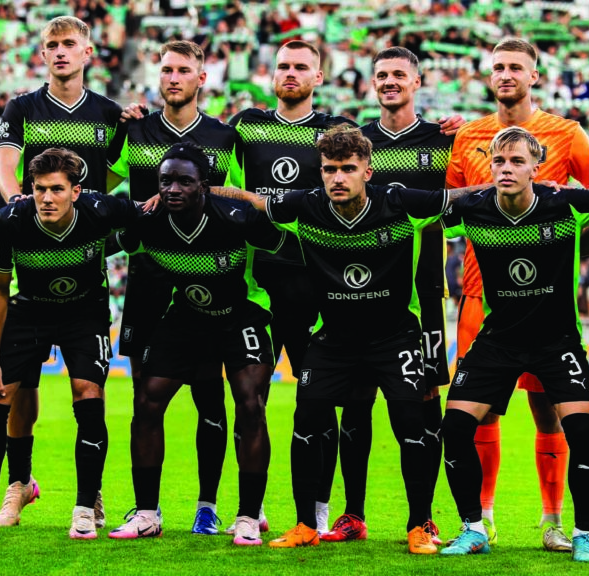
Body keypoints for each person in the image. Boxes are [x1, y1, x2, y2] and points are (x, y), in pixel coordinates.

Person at [213, 125, 484, 554]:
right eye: (329, 169)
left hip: (394, 337)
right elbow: (256, 201)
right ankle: (306, 525)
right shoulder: (305, 206)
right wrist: (209, 190)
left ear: (367, 172)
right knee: (307, 421)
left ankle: (419, 525)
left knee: (411, 424)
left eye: (347, 169)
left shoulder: (401, 202)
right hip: (334, 339)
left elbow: (460, 196)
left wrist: (517, 184)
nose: (337, 178)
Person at [444, 37, 589, 552]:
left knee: (549, 409)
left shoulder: (567, 133)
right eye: (498, 67)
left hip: (545, 303)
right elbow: (451, 203)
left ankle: (554, 521)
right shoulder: (468, 135)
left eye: (516, 67)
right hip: (480, 297)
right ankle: (481, 520)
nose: (506, 74)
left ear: (535, 75)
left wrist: (565, 250)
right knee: (477, 412)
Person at [0, 148, 143, 538]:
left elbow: (148, 215)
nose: (47, 198)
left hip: (84, 313)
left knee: (88, 395)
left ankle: (85, 508)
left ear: (76, 191)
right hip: (29, 312)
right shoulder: (9, 222)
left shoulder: (101, 210)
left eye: (56, 189)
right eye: (39, 189)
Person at [107, 144, 283, 546]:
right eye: (165, 181)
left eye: (184, 181)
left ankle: (247, 516)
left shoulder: (236, 218)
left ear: (204, 185)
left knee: (250, 405)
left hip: (242, 315)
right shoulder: (148, 223)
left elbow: (289, 242)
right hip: (188, 316)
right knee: (146, 400)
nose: (173, 189)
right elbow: (101, 239)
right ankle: (146, 514)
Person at [0, 16, 127, 529]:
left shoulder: (109, 113)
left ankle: (90, 494)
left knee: (88, 391)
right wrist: (17, 203)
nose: (61, 51)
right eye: (52, 45)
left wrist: (89, 213)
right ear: (43, 54)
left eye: (70, 43)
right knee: (20, 391)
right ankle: (19, 485)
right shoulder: (23, 107)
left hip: (84, 269)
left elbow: (118, 174)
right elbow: (5, 163)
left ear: (88, 52)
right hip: (33, 264)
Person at [316, 46, 454, 545]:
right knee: (356, 403)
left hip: (424, 292)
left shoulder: (444, 139)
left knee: (423, 403)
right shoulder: (357, 143)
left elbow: (468, 193)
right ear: (372, 83)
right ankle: (352, 514)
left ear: (417, 82)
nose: (389, 82)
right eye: (381, 75)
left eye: (399, 74)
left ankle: (424, 516)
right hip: (361, 295)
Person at [108, 39, 242, 536]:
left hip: (206, 282)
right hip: (148, 279)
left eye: (183, 70)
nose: (173, 78)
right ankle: (147, 509)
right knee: (146, 396)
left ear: (201, 78)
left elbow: (240, 198)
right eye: (166, 70)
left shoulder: (225, 137)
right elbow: (104, 184)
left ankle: (208, 506)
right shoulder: (135, 129)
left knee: (211, 399)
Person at [226, 40, 357, 534]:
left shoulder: (336, 131)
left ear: (318, 77)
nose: (290, 73)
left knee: (318, 404)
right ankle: (252, 508)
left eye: (301, 66)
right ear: (271, 73)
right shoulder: (247, 126)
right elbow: (205, 150)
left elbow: (376, 162)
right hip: (257, 288)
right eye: (283, 65)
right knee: (249, 397)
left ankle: (319, 507)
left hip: (315, 289)